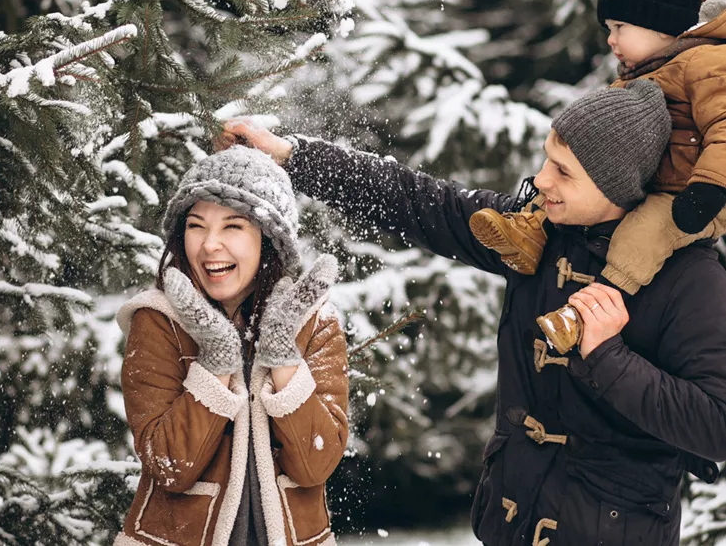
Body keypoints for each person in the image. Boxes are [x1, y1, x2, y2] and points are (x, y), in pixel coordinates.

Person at [221, 79, 726, 545]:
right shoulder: (536, 235)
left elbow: (716, 427)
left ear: (615, 187)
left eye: (563, 172)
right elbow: (417, 201)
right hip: (511, 521)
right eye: (547, 159)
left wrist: (609, 357)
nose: (541, 179)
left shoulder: (691, 278)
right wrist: (291, 156)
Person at [467, 0, 726, 352]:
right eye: (608, 28)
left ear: (659, 24)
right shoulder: (638, 75)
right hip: (647, 183)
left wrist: (709, 187)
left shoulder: (704, 65)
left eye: (619, 27)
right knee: (567, 168)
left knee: (641, 235)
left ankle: (588, 311)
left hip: (689, 197)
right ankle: (530, 231)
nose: (610, 40)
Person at [113, 145, 349, 546]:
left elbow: (316, 464)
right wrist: (216, 361)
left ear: (269, 239)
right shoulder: (157, 321)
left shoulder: (314, 323)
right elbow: (169, 467)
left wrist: (282, 354)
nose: (209, 245)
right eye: (196, 225)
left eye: (233, 226)